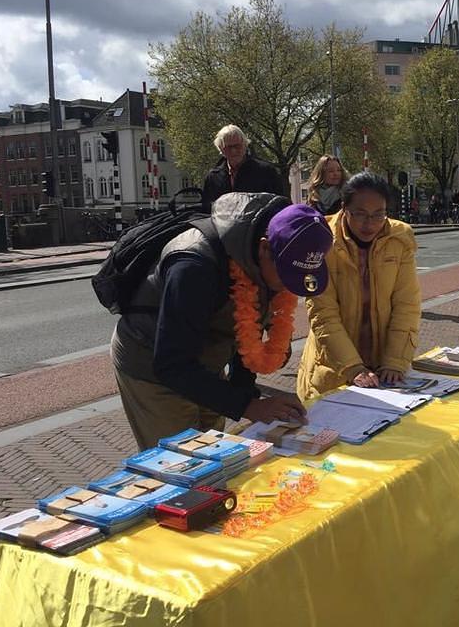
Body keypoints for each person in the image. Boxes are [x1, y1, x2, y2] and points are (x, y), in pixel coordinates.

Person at [111, 194, 334, 449]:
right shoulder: (193, 266)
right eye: (287, 275)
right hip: (151, 362)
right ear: (264, 248)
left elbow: (246, 334)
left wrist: (251, 399)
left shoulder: (269, 259)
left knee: (213, 455)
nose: (288, 287)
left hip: (204, 360)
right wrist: (249, 407)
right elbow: (172, 363)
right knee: (181, 463)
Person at [298, 172, 421, 400]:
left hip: (384, 368)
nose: (370, 224)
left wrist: (395, 361)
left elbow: (407, 305)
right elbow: (323, 314)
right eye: (361, 214)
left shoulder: (399, 240)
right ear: (344, 208)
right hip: (334, 368)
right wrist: (353, 367)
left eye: (378, 215)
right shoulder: (321, 241)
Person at [201, 125, 287, 209]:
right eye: (229, 147)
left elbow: (280, 205)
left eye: (237, 146)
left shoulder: (266, 172)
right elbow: (207, 209)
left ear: (245, 145)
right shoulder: (212, 178)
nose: (233, 151)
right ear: (221, 148)